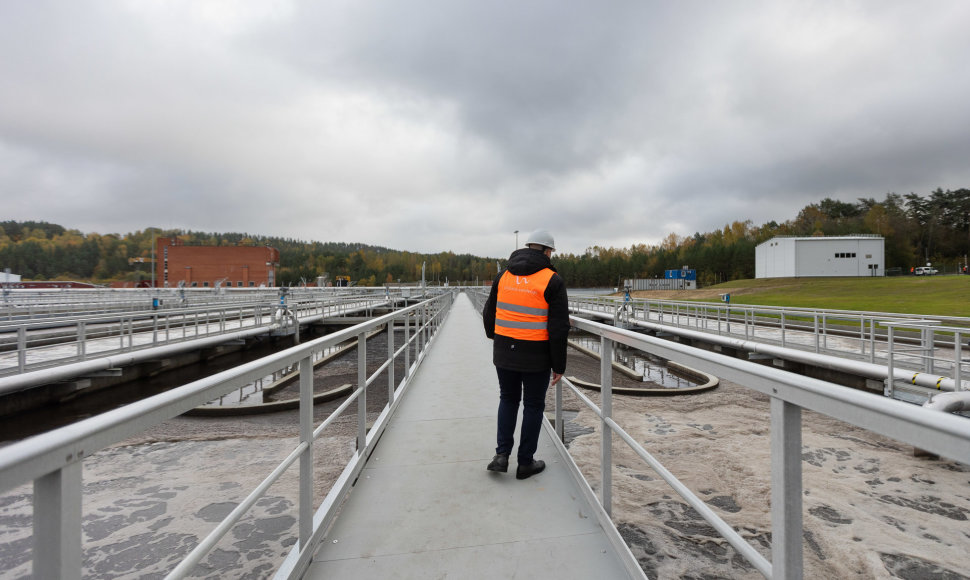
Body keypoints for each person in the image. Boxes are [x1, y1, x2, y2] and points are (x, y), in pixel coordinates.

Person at [482, 229, 569, 480]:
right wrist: (559, 364)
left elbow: (489, 312)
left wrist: (494, 336)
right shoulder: (552, 280)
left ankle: (501, 456)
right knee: (532, 405)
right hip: (536, 355)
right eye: (551, 250)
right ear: (545, 251)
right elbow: (558, 327)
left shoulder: (504, 276)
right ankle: (525, 463)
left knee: (508, 399)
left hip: (504, 350)